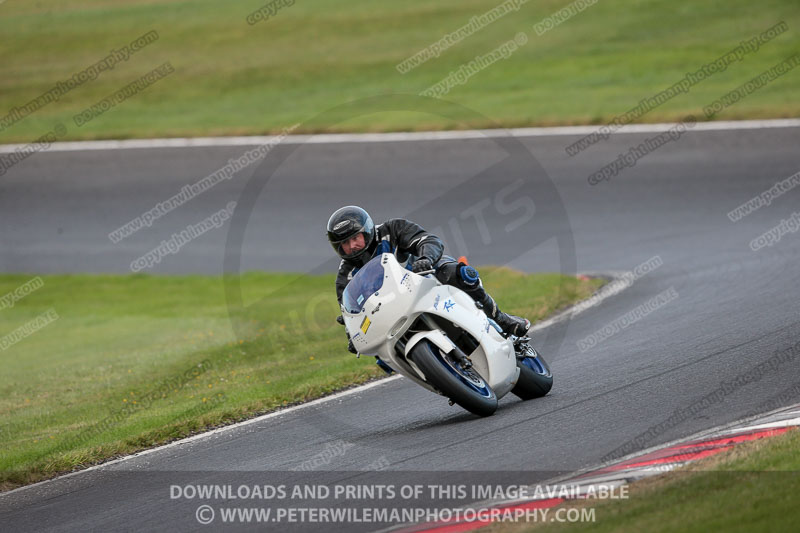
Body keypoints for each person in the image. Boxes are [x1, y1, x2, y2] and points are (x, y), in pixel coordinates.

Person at [326, 206, 531, 354]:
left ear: (367, 231)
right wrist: (351, 334)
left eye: (355, 238)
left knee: (461, 274)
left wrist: (425, 258)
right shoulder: (345, 276)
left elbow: (429, 240)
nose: (352, 246)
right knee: (381, 355)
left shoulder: (392, 230)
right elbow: (350, 313)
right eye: (345, 243)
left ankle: (501, 319)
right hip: (395, 310)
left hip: (427, 278)